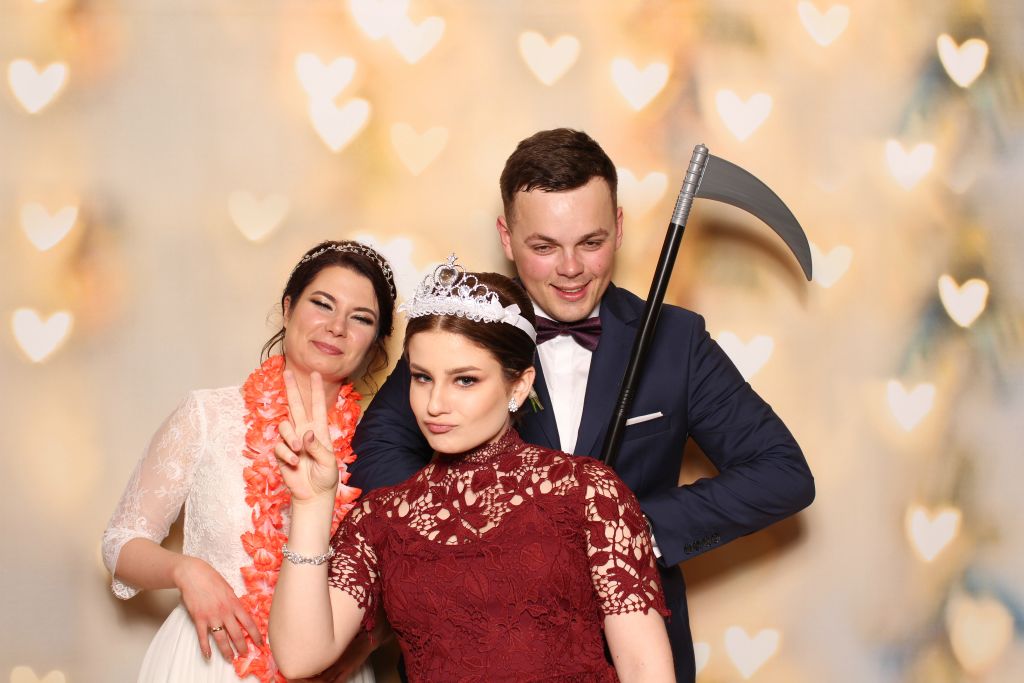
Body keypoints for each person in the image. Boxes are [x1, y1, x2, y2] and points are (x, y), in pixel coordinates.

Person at [348, 128, 816, 681]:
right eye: (544, 247)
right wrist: (470, 533)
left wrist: (624, 529)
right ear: (506, 237)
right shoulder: (465, 334)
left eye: (591, 242)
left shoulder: (676, 341)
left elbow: (781, 474)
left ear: (619, 228)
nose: (570, 268)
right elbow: (373, 453)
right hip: (480, 651)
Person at [268, 261, 674, 682]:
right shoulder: (381, 518)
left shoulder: (587, 492)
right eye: (422, 378)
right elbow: (299, 658)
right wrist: (311, 506)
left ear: (519, 385)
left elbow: (644, 667)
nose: (434, 404)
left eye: (464, 380)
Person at [101, 240, 397, 683]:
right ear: (288, 308)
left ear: (375, 343)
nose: (337, 327)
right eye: (322, 304)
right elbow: (119, 542)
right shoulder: (208, 415)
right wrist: (186, 570)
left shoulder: (376, 451)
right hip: (208, 660)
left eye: (361, 318)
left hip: (326, 671)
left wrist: (362, 646)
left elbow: (403, 586)